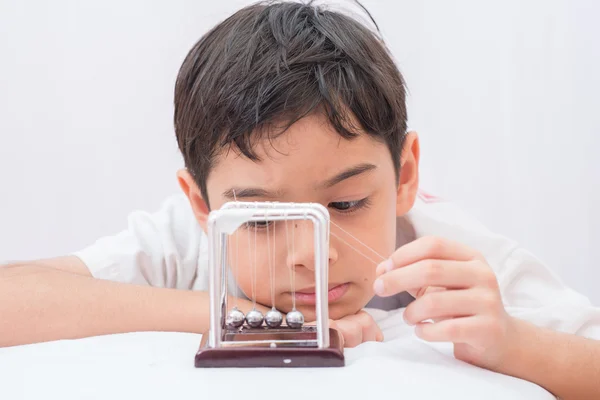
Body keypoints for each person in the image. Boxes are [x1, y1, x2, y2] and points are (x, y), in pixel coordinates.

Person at [1, 1, 599, 398]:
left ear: (405, 173)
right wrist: (247, 320)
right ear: (201, 204)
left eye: (344, 206)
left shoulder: (454, 262)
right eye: (262, 217)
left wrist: (515, 343)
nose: (307, 256)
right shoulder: (192, 243)